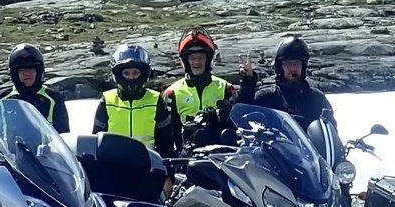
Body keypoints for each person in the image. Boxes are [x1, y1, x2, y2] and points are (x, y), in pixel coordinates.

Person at [159, 29, 246, 157]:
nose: (197, 62)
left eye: (201, 58)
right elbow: (168, 133)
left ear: (209, 59)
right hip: (187, 158)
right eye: (193, 58)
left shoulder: (227, 88)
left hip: (223, 156)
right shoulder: (172, 93)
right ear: (186, 61)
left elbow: (241, 121)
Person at [92, 41, 175, 152]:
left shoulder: (155, 99)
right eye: (126, 73)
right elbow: (96, 140)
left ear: (144, 74)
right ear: (118, 75)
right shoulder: (107, 100)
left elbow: (166, 141)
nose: (131, 77)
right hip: (113, 161)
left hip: (148, 161)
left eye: (135, 73)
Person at [251, 35, 334, 131]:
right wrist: (248, 83)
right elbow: (243, 118)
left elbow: (330, 130)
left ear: (303, 67)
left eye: (297, 64)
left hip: (310, 141)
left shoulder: (317, 98)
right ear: (280, 68)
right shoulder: (266, 97)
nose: (293, 68)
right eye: (288, 64)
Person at [1, 42, 68, 133]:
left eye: (31, 69)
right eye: (21, 70)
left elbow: (63, 135)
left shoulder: (53, 98)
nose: (27, 73)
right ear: (14, 74)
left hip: (45, 143)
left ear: (39, 71)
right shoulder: (3, 98)